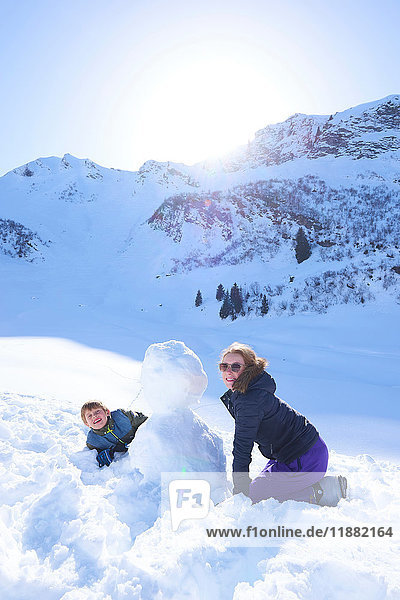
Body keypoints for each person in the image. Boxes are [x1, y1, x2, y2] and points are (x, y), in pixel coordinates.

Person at [219, 342, 347, 505]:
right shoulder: (250, 392)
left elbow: (242, 447)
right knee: (254, 490)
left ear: (249, 369)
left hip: (306, 460)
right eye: (224, 366)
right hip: (297, 455)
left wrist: (240, 491)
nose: (228, 372)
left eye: (235, 366)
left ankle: (321, 491)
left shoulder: (250, 401)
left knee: (253, 499)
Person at [81, 400, 148, 468]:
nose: (94, 416)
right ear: (87, 424)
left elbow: (147, 422)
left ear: (107, 412)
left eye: (97, 411)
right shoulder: (93, 442)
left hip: (144, 445)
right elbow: (95, 455)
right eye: (89, 416)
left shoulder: (123, 416)